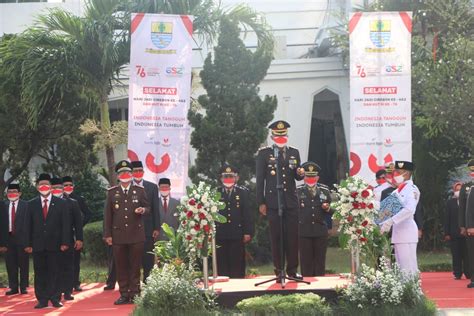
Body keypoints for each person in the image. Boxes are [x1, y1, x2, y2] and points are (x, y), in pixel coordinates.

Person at [256, 120, 305, 281]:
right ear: (272, 136)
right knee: (276, 237)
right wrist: (261, 202)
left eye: (283, 134)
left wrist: (301, 173)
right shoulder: (264, 153)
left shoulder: (294, 152)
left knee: (293, 237)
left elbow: (297, 176)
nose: (281, 137)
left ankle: (292, 270)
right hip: (272, 201)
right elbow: (260, 180)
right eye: (278, 135)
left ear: (287, 135)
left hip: (290, 201)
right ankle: (279, 271)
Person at [103, 160, 150, 305]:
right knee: (121, 266)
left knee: (135, 266)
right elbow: (107, 215)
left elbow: (148, 208)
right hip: (118, 236)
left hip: (136, 235)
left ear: (131, 175)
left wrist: (143, 210)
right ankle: (124, 293)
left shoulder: (140, 190)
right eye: (122, 173)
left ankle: (135, 293)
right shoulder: (112, 193)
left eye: (128, 172)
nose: (125, 175)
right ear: (118, 176)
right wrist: (108, 235)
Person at [24, 173, 70, 309]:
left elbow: (65, 225)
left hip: (56, 245)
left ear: (51, 187)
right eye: (41, 184)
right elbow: (27, 226)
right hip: (37, 245)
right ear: (37, 187)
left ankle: (55, 298)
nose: (44, 186)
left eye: (46, 184)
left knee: (55, 272)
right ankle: (42, 299)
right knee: (40, 273)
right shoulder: (31, 204)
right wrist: (27, 244)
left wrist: (65, 242)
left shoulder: (61, 203)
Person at [379, 161, 420, 276]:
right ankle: (406, 290)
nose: (395, 174)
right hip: (399, 233)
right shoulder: (398, 190)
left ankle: (412, 291)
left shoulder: (411, 189)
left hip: (407, 232)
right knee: (401, 267)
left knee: (408, 267)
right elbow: (386, 209)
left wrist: (390, 221)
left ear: (406, 173)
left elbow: (409, 209)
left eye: (398, 172)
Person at [215, 165, 253, 278]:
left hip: (237, 233)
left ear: (237, 178)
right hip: (220, 234)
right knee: (222, 262)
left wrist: (248, 232)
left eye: (231, 176)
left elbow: (247, 213)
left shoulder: (243, 193)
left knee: (237, 262)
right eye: (225, 177)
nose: (228, 179)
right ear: (221, 178)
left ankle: (238, 286)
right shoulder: (215, 193)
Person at [297, 162, 333, 277]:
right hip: (304, 230)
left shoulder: (325, 191)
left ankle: (320, 285)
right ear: (304, 177)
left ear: (317, 177)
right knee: (305, 260)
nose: (310, 179)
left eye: (313, 176)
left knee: (320, 260)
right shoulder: (297, 191)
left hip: (320, 230)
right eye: (308, 176)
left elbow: (333, 210)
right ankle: (307, 284)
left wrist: (327, 209)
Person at [51, 177, 83, 301]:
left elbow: (78, 223)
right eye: (54, 188)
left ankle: (68, 291)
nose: (57, 190)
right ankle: (54, 292)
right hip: (51, 241)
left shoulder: (72, 202)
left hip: (68, 239)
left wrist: (79, 239)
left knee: (68, 266)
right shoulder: (47, 202)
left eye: (59, 187)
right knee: (53, 267)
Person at [131, 161, 160, 283]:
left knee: (148, 257)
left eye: (140, 170)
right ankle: (134, 284)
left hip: (147, 228)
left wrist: (156, 228)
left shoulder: (152, 187)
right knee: (133, 258)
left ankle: (148, 281)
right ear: (131, 173)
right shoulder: (126, 186)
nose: (138, 173)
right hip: (131, 228)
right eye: (135, 171)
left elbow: (155, 208)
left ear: (143, 172)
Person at [62, 176, 92, 292]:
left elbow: (88, 214)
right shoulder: (57, 199)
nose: (68, 187)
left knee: (75, 260)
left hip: (74, 234)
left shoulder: (78, 199)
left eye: (70, 185)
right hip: (61, 235)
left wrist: (78, 225)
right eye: (65, 185)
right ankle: (63, 283)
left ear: (73, 186)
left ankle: (75, 283)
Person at [2, 183, 29, 295]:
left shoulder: (26, 205)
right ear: (7, 194)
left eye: (14, 191)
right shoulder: (3, 205)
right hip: (8, 239)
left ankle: (23, 287)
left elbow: (30, 224)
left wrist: (29, 242)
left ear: (20, 193)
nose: (12, 194)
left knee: (23, 264)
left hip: (22, 239)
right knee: (10, 264)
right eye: (9, 192)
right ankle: (13, 287)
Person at [444, 182, 470, 280]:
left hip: (466, 233)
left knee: (467, 255)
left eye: (460, 189)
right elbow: (447, 218)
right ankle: (457, 273)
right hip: (454, 233)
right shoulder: (450, 202)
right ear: (454, 191)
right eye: (457, 190)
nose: (458, 192)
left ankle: (469, 273)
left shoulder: (468, 201)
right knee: (456, 255)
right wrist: (447, 233)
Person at [459, 159, 474, 288]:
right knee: (472, 252)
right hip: (472, 226)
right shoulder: (467, 187)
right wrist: (465, 225)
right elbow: (465, 208)